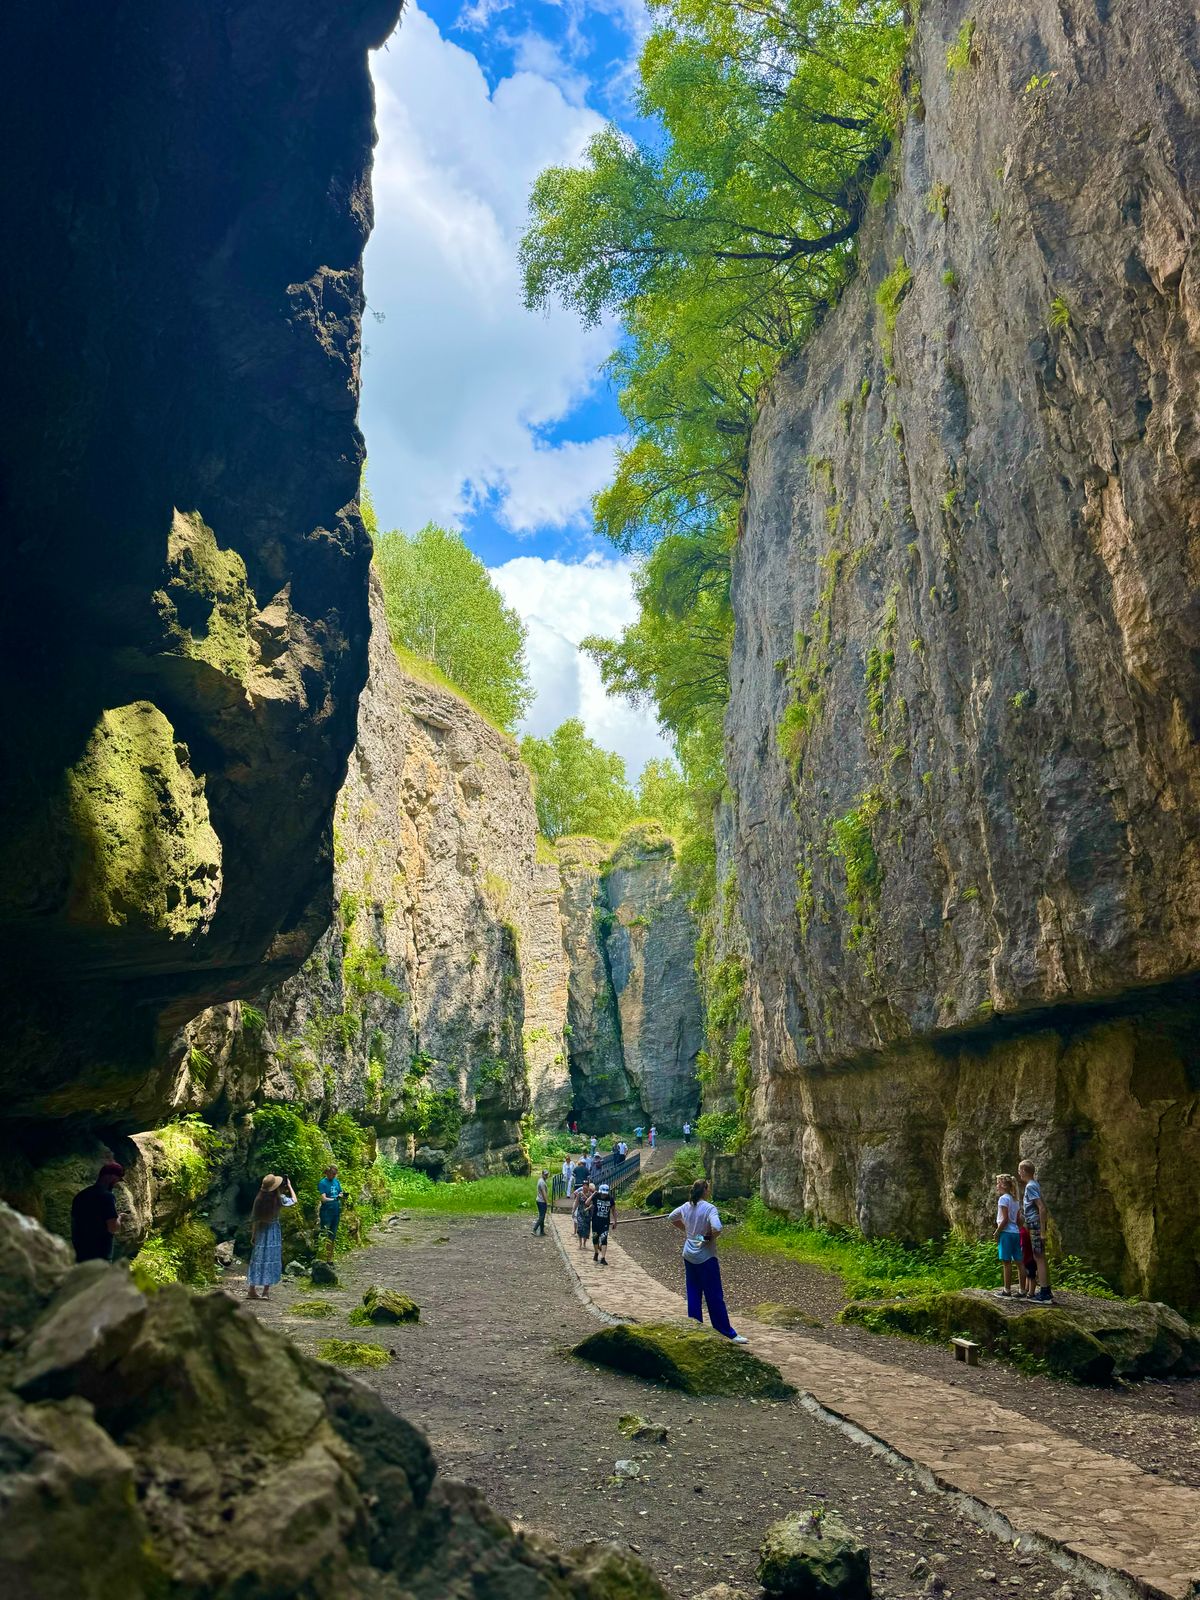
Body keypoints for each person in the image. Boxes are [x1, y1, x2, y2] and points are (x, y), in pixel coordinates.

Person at [669, 1178, 748, 1343]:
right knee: (714, 1295)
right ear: (705, 1190)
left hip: (689, 1253)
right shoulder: (710, 1208)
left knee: (693, 1292)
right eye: (708, 1188)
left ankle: (695, 1327)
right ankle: (725, 1331)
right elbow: (717, 1227)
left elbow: (672, 1217)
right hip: (706, 1255)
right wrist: (710, 1238)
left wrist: (688, 1231)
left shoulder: (686, 1206)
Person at [246, 1174, 297, 1300]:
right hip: (273, 1231)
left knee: (257, 1258)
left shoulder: (258, 1199)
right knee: (270, 1257)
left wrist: (253, 1235)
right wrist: (290, 1186)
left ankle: (251, 1290)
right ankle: (265, 1292)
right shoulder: (279, 1199)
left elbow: (255, 1219)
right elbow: (294, 1200)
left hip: (261, 1230)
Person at [70, 1161, 125, 1264]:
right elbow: (113, 1228)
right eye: (117, 1180)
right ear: (111, 1177)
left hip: (80, 1255)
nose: (116, 1183)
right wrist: (120, 1218)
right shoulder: (107, 1197)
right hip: (101, 1255)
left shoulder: (80, 1195)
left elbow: (74, 1224)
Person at [1018, 1159, 1054, 1302]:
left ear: (1025, 1171)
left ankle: (1044, 1293)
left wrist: (1043, 1231)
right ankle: (1047, 1290)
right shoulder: (1034, 1184)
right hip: (1034, 1224)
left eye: (1020, 1170)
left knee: (1038, 1257)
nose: (1019, 1173)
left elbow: (1042, 1207)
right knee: (1041, 1257)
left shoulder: (1030, 1187)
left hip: (1034, 1224)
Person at [994, 1174, 1021, 1296]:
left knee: (1006, 1262)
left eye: (998, 1183)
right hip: (1015, 1232)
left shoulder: (1003, 1199)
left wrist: (997, 1232)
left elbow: (1004, 1220)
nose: (997, 1186)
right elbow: (1019, 1219)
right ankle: (1023, 1290)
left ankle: (1007, 1290)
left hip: (1006, 1232)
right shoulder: (1015, 1200)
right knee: (1019, 1261)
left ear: (1004, 1185)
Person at [317, 1164, 343, 1254]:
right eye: (332, 1173)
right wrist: (334, 1199)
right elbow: (323, 1199)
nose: (333, 1175)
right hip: (327, 1211)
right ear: (327, 1173)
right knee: (325, 1232)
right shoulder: (322, 1183)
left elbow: (340, 1192)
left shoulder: (336, 1182)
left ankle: (329, 1258)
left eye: (335, 1174)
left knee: (333, 1234)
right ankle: (321, 1255)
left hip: (336, 1210)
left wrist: (341, 1196)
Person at [591, 1182, 615, 1265]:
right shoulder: (596, 1197)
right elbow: (587, 1203)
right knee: (595, 1239)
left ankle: (603, 1258)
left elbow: (613, 1210)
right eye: (603, 1193)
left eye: (605, 1194)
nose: (604, 1195)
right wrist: (593, 1193)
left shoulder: (610, 1199)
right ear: (600, 1192)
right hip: (595, 1222)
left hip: (605, 1222)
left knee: (604, 1239)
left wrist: (615, 1221)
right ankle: (596, 1252)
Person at [572, 1181, 594, 1251]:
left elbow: (592, 1204)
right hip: (580, 1212)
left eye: (586, 1185)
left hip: (587, 1213)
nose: (584, 1187)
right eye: (583, 1185)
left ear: (588, 1186)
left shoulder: (590, 1194)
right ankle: (580, 1243)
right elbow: (576, 1202)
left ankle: (584, 1243)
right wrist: (573, 1211)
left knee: (586, 1228)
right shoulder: (579, 1194)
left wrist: (588, 1208)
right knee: (580, 1227)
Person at [533, 1170, 549, 1235]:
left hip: (539, 1200)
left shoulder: (541, 1180)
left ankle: (542, 1231)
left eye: (547, 1175)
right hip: (541, 1201)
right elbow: (543, 1193)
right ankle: (534, 1229)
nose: (546, 1176)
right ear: (542, 1174)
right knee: (542, 1216)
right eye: (545, 1175)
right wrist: (546, 1202)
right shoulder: (542, 1182)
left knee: (542, 1215)